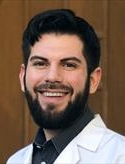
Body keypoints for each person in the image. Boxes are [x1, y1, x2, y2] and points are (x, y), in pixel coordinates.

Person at [7, 9, 125, 164]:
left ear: (94, 80)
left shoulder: (119, 156)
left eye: (69, 65)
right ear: (23, 77)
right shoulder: (15, 160)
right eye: (40, 63)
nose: (53, 76)